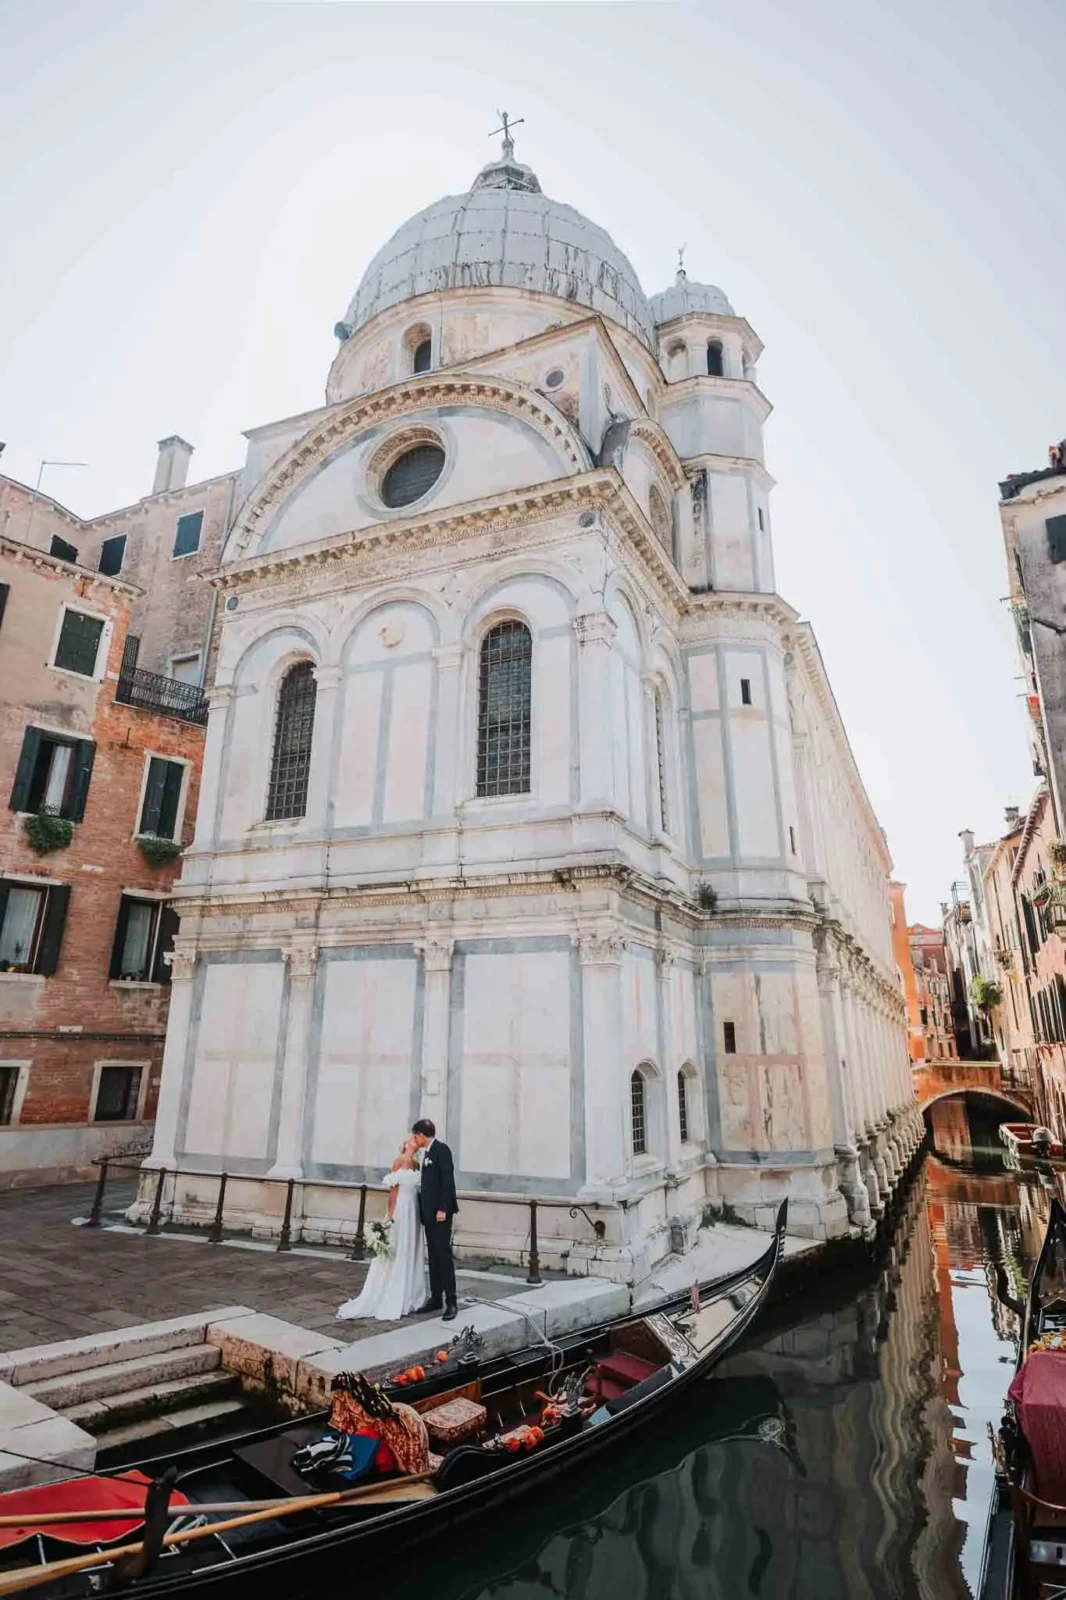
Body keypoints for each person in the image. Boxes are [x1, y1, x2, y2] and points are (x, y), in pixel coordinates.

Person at [336, 1138, 426, 1321]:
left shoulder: (417, 1164)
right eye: (410, 1140)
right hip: (401, 1209)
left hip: (413, 1210)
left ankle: (411, 1291)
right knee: (397, 1246)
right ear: (405, 1145)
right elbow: (393, 1193)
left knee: (410, 1247)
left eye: (414, 1140)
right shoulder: (398, 1162)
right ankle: (393, 1290)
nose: (413, 1142)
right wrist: (389, 1217)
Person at [411, 1117, 459, 1321]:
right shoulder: (425, 1153)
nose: (415, 1139)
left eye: (416, 1135)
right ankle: (436, 1297)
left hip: (440, 1214)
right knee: (433, 1256)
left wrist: (442, 1209)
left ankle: (452, 1301)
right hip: (428, 1214)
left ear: (422, 1135)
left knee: (443, 1256)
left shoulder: (442, 1150)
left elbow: (447, 1182)